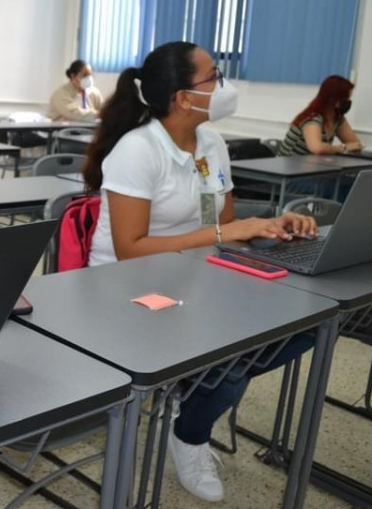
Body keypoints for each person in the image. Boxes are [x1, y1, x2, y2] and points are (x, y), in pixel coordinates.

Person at [82, 41, 317, 503]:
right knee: (231, 352)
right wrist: (226, 233)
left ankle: (193, 400)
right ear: (183, 98)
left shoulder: (210, 142)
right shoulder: (137, 150)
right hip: (125, 292)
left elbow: (223, 223)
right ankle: (192, 432)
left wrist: (270, 223)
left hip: (194, 278)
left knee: (302, 328)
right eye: (214, 77)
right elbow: (131, 250)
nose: (224, 85)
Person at [278, 75, 363, 156]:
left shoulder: (337, 118)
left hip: (311, 165)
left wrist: (351, 147)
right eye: (346, 99)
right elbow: (316, 148)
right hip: (288, 166)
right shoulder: (312, 118)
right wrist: (344, 147)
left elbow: (356, 145)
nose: (348, 102)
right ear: (334, 99)